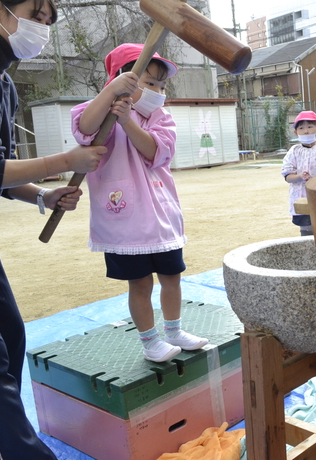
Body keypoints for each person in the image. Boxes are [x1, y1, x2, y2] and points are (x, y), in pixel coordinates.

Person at [0, 0, 105, 457]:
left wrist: (41, 195)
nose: (43, 27)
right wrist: (64, 162)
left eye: (50, 20)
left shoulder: (1, 80)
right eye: (37, 13)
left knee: (10, 336)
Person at [72, 43, 209, 363]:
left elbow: (156, 152)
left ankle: (174, 331)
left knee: (172, 276)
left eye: (161, 85)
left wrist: (128, 122)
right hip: (125, 223)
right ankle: (150, 342)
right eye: (149, 83)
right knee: (140, 283)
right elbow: (85, 129)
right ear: (123, 80)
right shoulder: (97, 110)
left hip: (161, 218)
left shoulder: (161, 118)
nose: (158, 91)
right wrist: (109, 99)